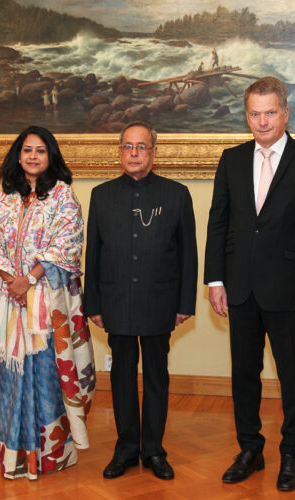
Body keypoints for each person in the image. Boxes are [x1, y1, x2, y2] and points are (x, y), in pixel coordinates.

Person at [204, 76, 295, 492]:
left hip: (291, 290)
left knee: (293, 376)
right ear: (247, 117)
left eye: (270, 113)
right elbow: (218, 222)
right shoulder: (232, 159)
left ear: (285, 114)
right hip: (239, 287)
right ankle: (250, 449)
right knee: (244, 373)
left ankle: (292, 453)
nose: (262, 122)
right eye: (255, 114)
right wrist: (215, 279)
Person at [84, 121, 198, 481]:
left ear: (153, 152)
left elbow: (188, 255)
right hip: (115, 300)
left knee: (156, 376)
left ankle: (153, 451)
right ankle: (126, 449)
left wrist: (184, 303)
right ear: (120, 152)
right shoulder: (101, 195)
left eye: (141, 147)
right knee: (121, 376)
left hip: (159, 301)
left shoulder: (176, 194)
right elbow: (94, 254)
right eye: (127, 147)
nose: (134, 153)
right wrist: (94, 303)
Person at [0, 126, 96, 480]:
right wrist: (12, 283)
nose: (33, 156)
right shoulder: (5, 197)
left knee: (47, 375)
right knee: (13, 377)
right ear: (18, 155)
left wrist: (28, 280)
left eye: (41, 151)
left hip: (48, 306)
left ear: (52, 157)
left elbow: (66, 246)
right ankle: (16, 458)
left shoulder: (63, 197)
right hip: (11, 303)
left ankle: (51, 455)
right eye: (27, 150)